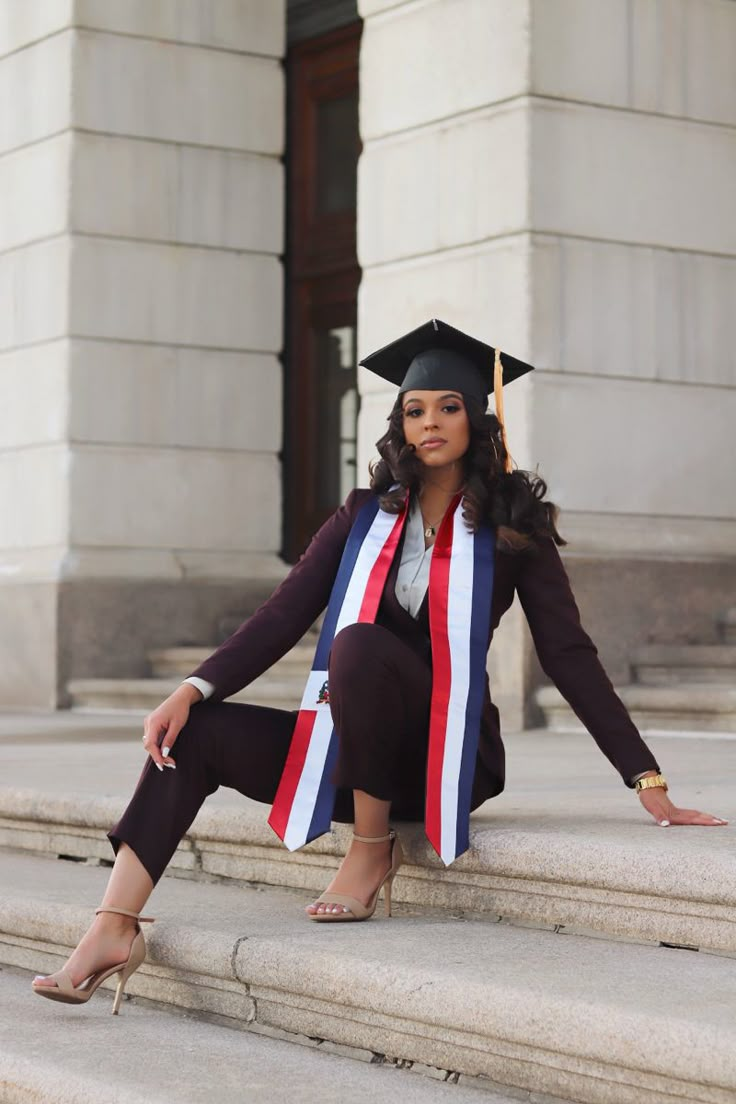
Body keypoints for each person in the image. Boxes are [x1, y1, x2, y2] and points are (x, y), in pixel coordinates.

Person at [32, 319, 728, 1010]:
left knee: (358, 644)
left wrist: (646, 777)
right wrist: (191, 688)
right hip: (352, 750)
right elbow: (281, 614)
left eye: (448, 407)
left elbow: (568, 654)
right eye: (415, 410)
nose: (430, 423)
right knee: (194, 735)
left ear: (477, 418)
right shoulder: (364, 515)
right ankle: (112, 929)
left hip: (445, 758)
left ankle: (371, 848)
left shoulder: (515, 526)